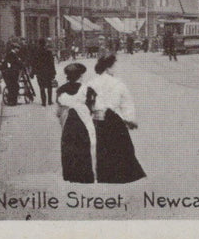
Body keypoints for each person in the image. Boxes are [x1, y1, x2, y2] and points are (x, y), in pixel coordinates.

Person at [88, 54, 146, 184]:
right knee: (120, 147)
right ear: (108, 68)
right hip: (113, 120)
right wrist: (129, 119)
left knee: (101, 147)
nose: (115, 68)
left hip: (97, 120)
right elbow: (126, 102)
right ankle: (121, 175)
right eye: (114, 66)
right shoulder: (118, 84)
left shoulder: (91, 83)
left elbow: (87, 102)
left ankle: (103, 175)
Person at [57, 62, 95, 184]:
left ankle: (69, 175)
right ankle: (85, 176)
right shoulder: (87, 89)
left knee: (68, 147)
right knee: (83, 145)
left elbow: (58, 110)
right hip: (83, 121)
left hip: (68, 122)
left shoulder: (61, 90)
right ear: (80, 76)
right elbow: (92, 106)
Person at [34, 38, 56, 106]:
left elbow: (34, 63)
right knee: (49, 86)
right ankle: (49, 101)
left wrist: (33, 72)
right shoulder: (48, 52)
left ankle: (43, 102)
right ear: (45, 44)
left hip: (40, 72)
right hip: (48, 72)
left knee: (41, 87)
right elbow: (51, 63)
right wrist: (53, 72)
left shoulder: (36, 52)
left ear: (39, 43)